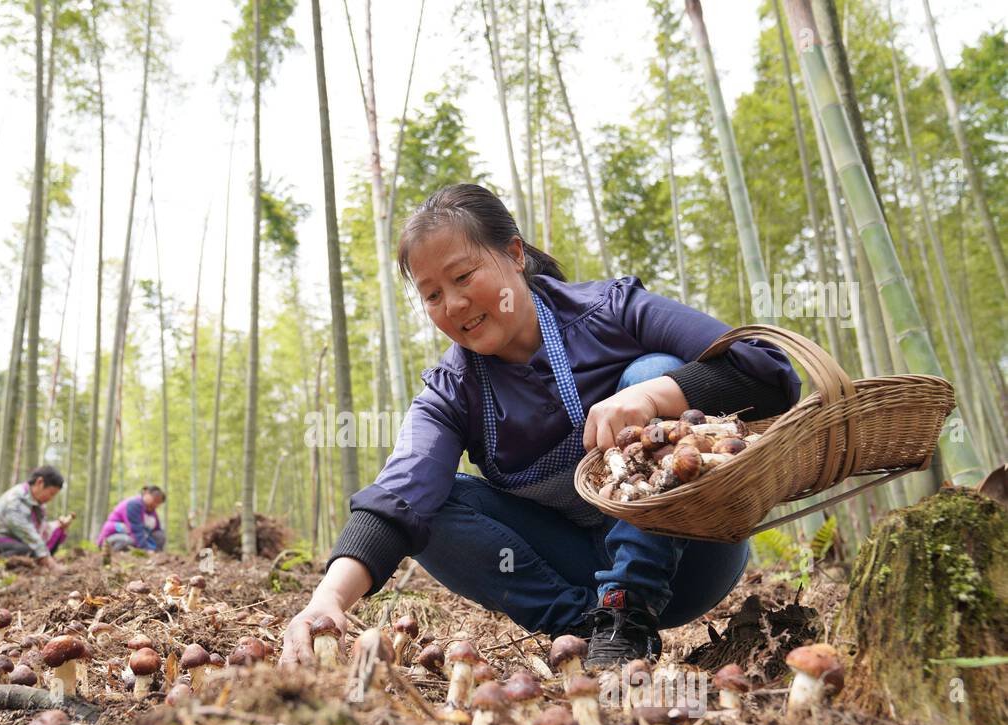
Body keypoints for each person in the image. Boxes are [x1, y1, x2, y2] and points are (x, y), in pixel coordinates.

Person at [281, 184, 801, 669]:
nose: (454, 305)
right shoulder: (451, 389)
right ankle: (586, 630)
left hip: (693, 550)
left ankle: (628, 608)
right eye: (432, 295)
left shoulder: (611, 310)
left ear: (514, 254)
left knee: (650, 369)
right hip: (576, 568)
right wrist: (326, 599)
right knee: (430, 501)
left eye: (463, 277)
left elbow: (768, 371)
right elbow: (400, 495)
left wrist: (650, 396)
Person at [0, 465, 74, 572]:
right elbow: (28, 533)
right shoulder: (16, 499)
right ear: (39, 482)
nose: (50, 498)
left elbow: (40, 530)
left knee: (38, 548)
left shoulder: (38, 505)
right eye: (51, 493)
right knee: (28, 551)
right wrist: (51, 564)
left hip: (15, 542)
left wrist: (58, 526)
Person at [96, 485, 166, 552]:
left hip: (133, 537)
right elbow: (136, 530)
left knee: (159, 536)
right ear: (146, 493)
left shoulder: (151, 511)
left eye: (159, 502)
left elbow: (156, 530)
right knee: (129, 541)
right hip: (113, 537)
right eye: (155, 499)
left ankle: (154, 554)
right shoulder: (134, 504)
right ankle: (113, 552)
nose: (156, 504)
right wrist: (146, 549)